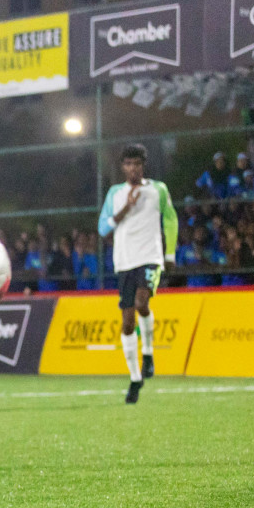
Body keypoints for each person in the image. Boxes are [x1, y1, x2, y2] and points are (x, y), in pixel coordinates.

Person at [98, 143, 177, 404]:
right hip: (124, 262)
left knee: (143, 302)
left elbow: (170, 219)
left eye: (137, 164)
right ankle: (134, 378)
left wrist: (169, 254)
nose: (132, 168)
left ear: (143, 166)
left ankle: (149, 354)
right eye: (128, 164)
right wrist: (125, 209)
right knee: (127, 323)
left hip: (150, 258)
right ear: (123, 167)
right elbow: (102, 228)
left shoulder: (158, 190)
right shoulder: (115, 193)